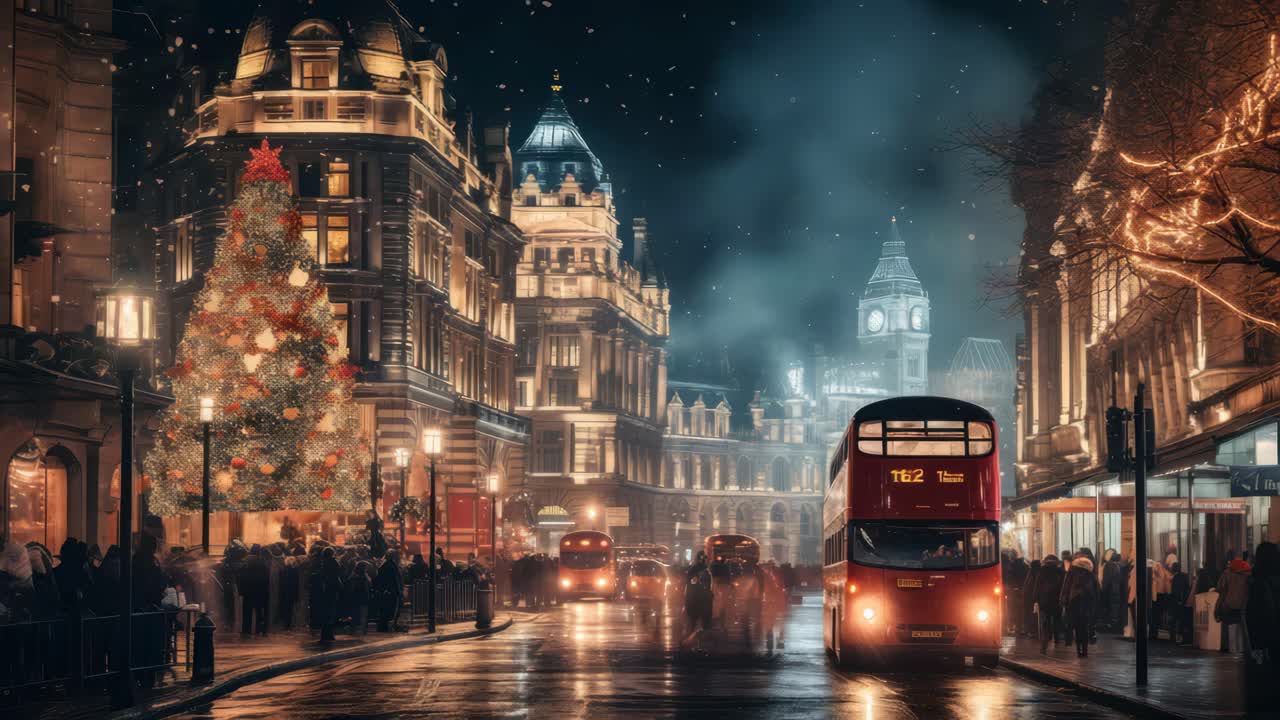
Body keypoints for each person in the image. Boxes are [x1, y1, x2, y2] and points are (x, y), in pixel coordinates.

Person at [1246, 542, 1280, 713]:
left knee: (1265, 676)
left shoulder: (1257, 581)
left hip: (1266, 638)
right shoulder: (1267, 580)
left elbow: (1255, 615)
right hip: (1272, 636)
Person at [1060, 552, 1099, 657]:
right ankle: (1085, 650)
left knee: (1077, 627)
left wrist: (1063, 600)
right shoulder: (1090, 572)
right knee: (1085, 626)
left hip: (1074, 602)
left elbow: (1066, 586)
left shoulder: (1072, 571)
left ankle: (1079, 650)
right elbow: (1096, 589)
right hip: (1087, 602)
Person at [1217, 553, 1252, 653]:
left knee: (1232, 627)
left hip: (1230, 604)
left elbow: (1220, 588)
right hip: (1243, 605)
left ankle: (1233, 650)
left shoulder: (1227, 573)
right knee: (1241, 628)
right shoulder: (1247, 574)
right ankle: (1241, 650)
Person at [1032, 554, 1064, 653]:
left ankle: (1044, 645)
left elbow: (1037, 587)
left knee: (1045, 623)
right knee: (1056, 620)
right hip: (1057, 601)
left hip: (1044, 601)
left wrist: (1035, 599)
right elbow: (1064, 586)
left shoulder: (1042, 571)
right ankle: (1057, 639)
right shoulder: (1061, 571)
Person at [310, 547, 343, 644]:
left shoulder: (326, 563)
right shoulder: (334, 562)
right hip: (333, 589)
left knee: (326, 612)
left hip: (328, 590)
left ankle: (326, 634)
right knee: (330, 612)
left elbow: (323, 575)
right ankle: (329, 634)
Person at [683, 551, 714, 649]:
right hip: (698, 601)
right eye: (704, 559)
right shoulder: (700, 571)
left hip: (700, 601)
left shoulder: (703, 570)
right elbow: (693, 585)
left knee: (697, 623)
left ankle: (695, 644)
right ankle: (691, 643)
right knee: (698, 623)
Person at [373, 551, 403, 632]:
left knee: (385, 611)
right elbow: (394, 580)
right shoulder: (391, 566)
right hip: (391, 592)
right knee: (389, 611)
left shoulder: (386, 566)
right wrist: (398, 591)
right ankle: (385, 627)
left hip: (387, 592)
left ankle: (383, 627)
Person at [346, 560, 371, 636]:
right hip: (361, 597)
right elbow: (369, 584)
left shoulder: (353, 576)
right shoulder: (361, 577)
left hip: (357, 598)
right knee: (362, 614)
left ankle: (354, 630)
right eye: (366, 567)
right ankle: (362, 630)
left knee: (356, 614)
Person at [1169, 562, 1191, 644]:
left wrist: (1177, 600)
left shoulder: (1175, 578)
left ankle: (1173, 637)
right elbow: (1187, 587)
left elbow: (1175, 591)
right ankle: (1182, 637)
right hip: (1183, 601)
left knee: (1174, 619)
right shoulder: (1184, 576)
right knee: (1182, 620)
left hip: (1176, 601)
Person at [1023, 559, 1041, 639]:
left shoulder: (1031, 573)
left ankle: (1033, 631)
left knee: (1031, 614)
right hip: (1035, 597)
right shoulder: (1039, 572)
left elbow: (1028, 585)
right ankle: (1035, 631)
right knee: (1035, 615)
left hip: (1030, 597)